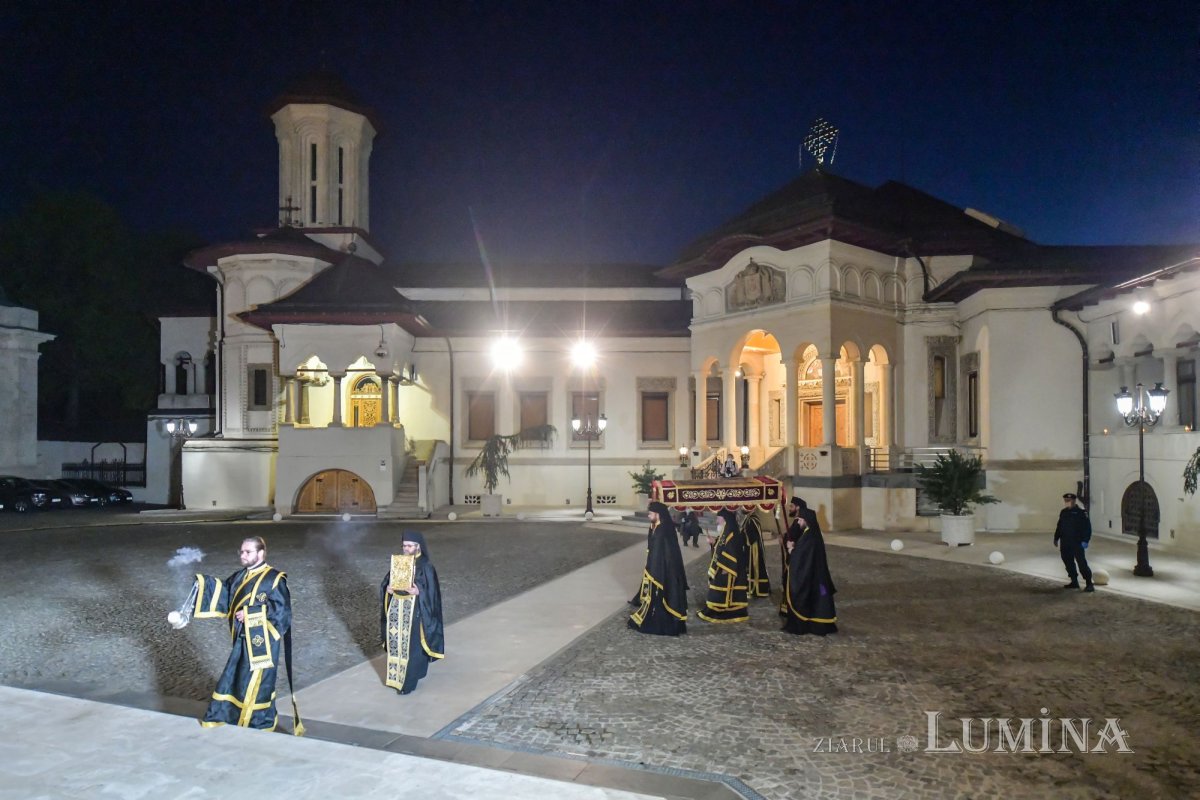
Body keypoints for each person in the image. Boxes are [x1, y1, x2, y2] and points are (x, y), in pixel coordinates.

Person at [197, 536, 301, 733]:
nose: (243, 556)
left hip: (263, 643)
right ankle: (230, 714)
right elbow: (225, 593)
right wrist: (202, 585)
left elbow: (282, 612)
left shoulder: (274, 579)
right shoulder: (239, 576)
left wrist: (251, 613)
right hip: (241, 640)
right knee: (236, 676)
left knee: (258, 683)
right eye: (241, 552)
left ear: (261, 553)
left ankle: (257, 721)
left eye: (248, 552)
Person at [380, 531, 445, 694]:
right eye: (404, 546)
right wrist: (387, 589)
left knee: (413, 647)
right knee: (400, 645)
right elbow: (388, 582)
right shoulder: (400, 563)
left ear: (418, 546)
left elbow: (432, 593)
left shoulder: (426, 566)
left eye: (410, 546)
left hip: (416, 612)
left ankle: (407, 684)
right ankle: (413, 673)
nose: (406, 549)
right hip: (398, 611)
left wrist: (418, 592)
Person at [629, 501, 688, 635]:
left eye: (651, 513)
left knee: (665, 596)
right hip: (656, 567)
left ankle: (664, 621)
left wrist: (654, 571)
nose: (649, 515)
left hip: (665, 570)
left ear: (658, 514)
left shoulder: (664, 530)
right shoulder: (655, 526)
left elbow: (665, 554)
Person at [782, 499, 838, 635]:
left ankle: (814, 625)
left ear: (806, 520)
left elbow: (802, 557)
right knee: (820, 599)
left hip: (814, 577)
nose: (799, 522)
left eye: (800, 520)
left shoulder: (809, 536)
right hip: (818, 576)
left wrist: (791, 550)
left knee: (818, 599)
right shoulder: (811, 533)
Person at [698, 509, 750, 623]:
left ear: (724, 518)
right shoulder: (726, 530)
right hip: (723, 566)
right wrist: (714, 542)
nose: (717, 520)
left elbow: (731, 551)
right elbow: (722, 544)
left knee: (723, 589)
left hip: (728, 568)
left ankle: (721, 610)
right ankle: (715, 608)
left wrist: (726, 568)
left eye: (718, 518)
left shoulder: (731, 531)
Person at [1054, 493, 1094, 592]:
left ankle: (1089, 583)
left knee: (1081, 563)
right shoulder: (1063, 512)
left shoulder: (1081, 512)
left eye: (1069, 500)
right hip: (1065, 542)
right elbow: (1059, 526)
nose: (1067, 502)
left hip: (1077, 542)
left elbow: (1087, 528)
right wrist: (1056, 538)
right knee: (1068, 562)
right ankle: (1074, 581)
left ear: (1074, 501)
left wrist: (1085, 540)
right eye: (1065, 500)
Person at [742, 509, 772, 598]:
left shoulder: (752, 520)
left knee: (754, 568)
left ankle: (755, 589)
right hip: (752, 549)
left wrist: (743, 535)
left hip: (752, 550)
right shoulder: (751, 518)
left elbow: (752, 537)